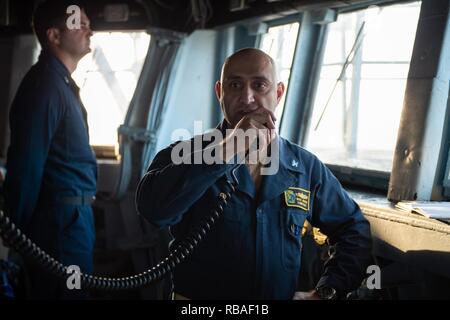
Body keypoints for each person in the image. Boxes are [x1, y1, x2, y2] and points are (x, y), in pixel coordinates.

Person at [135, 48, 372, 300]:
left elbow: (353, 230)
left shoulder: (304, 166)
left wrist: (326, 292)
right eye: (235, 85)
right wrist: (228, 148)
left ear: (278, 93)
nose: (246, 98)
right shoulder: (184, 153)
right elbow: (153, 210)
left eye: (259, 85)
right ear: (220, 92)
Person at [3, 0, 96, 299]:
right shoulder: (44, 86)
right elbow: (25, 168)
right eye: (77, 24)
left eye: (87, 22)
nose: (88, 29)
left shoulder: (61, 85)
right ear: (54, 36)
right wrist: (15, 235)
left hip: (75, 221)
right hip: (58, 225)